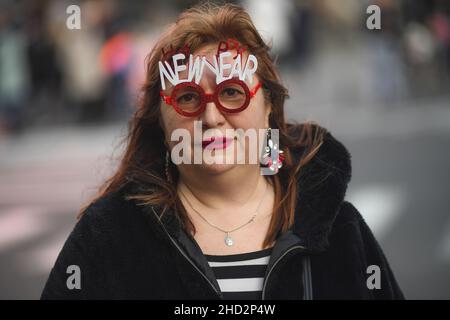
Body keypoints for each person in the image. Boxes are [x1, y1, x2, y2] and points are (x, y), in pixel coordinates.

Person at [41, 3, 404, 300]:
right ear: (161, 125)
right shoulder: (108, 235)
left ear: (269, 108)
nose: (212, 117)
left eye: (232, 92)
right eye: (187, 98)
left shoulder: (341, 229)